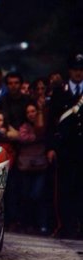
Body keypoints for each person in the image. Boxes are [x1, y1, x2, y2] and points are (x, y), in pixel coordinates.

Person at [47, 52, 83, 239]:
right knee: (64, 189)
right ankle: (64, 225)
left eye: (81, 70)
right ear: (70, 71)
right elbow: (51, 121)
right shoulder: (60, 91)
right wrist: (51, 147)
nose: (78, 73)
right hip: (65, 149)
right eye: (75, 69)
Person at [16, 102, 49, 234]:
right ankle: (26, 224)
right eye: (28, 112)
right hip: (26, 165)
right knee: (26, 196)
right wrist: (37, 137)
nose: (31, 114)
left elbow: (43, 133)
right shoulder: (24, 126)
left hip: (40, 165)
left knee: (38, 195)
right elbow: (23, 138)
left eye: (33, 111)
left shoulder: (43, 125)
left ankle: (42, 224)